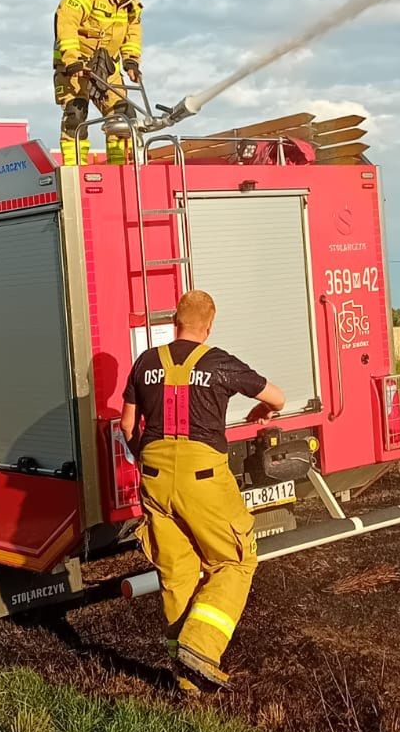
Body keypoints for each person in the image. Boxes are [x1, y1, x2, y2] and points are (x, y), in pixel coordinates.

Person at [120, 290, 285, 696]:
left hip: (154, 479)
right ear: (209, 325)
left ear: (174, 322)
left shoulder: (145, 363)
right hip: (204, 478)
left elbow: (126, 427)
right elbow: (276, 397)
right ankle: (201, 646)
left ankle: (185, 680)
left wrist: (147, 461)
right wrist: (264, 411)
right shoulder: (219, 362)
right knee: (235, 561)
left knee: (176, 576)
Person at [53, 0, 145, 166]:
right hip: (77, 65)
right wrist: (72, 59)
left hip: (108, 67)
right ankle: (74, 171)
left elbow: (133, 30)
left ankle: (118, 170)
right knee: (76, 114)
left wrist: (131, 60)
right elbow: (66, 20)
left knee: (123, 117)